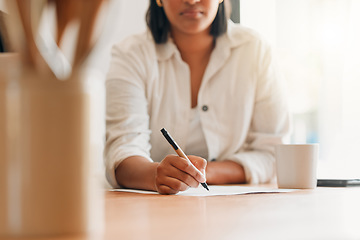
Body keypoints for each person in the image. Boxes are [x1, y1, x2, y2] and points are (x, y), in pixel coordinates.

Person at [104, 0, 290, 195]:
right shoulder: (131, 55)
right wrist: (155, 175)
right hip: (154, 208)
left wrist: (201, 173)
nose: (191, 1)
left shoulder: (256, 50)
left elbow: (274, 153)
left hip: (238, 209)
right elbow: (122, 151)